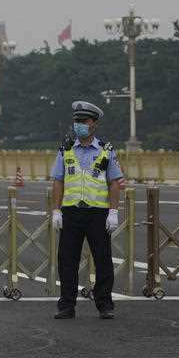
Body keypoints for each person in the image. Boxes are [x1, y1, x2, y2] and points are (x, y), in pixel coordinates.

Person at [50, 101, 123, 320]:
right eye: (76, 121)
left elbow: (114, 182)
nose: (79, 125)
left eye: (84, 121)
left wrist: (113, 211)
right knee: (67, 260)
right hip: (71, 212)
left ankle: (104, 304)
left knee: (102, 260)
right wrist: (56, 210)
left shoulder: (106, 150)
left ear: (94, 124)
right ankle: (66, 305)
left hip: (98, 213)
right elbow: (58, 181)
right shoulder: (66, 149)